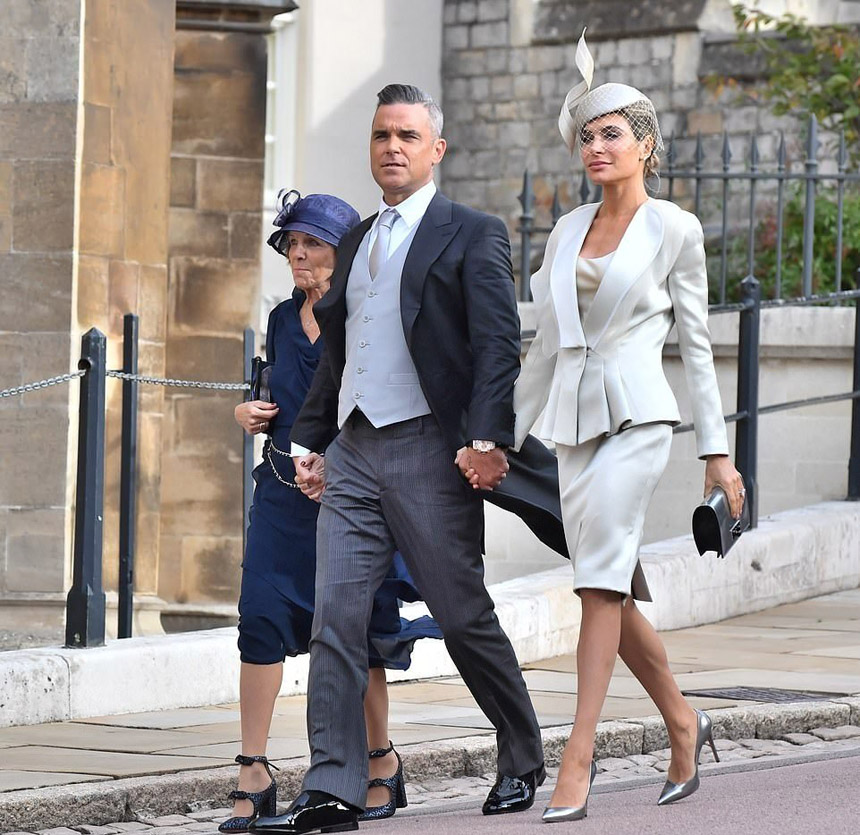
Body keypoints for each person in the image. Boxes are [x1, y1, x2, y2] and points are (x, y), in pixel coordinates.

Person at [250, 84, 546, 835]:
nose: (392, 147)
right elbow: (339, 353)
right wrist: (311, 441)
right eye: (383, 135)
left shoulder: (472, 232)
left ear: (435, 149)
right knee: (335, 619)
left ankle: (521, 752)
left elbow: (498, 346)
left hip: (429, 447)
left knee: (461, 612)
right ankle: (332, 786)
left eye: (408, 136)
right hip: (353, 449)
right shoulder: (354, 242)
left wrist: (487, 438)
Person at [512, 32, 745, 823]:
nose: (596, 146)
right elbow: (546, 346)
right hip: (572, 431)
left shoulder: (675, 228)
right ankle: (683, 720)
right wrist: (498, 436)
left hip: (641, 420)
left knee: (597, 586)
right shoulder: (564, 230)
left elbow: (698, 347)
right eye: (587, 135)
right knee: (606, 584)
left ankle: (577, 757)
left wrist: (717, 452)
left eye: (612, 133)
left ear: (645, 144)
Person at [221, 190, 440, 833]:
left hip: (355, 495)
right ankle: (254, 771)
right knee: (259, 619)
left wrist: (342, 467)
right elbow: (274, 396)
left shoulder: (367, 314)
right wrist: (247, 411)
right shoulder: (281, 319)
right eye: (291, 243)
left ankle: (380, 761)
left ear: (342, 253)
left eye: (312, 243)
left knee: (359, 630)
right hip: (281, 495)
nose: (298, 254)